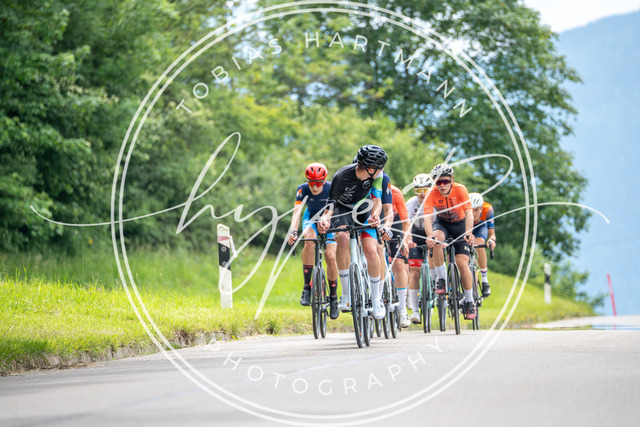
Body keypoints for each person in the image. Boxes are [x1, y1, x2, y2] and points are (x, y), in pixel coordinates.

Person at [318, 145, 387, 320]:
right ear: (369, 168)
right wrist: (325, 219)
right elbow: (331, 204)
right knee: (342, 237)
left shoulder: (378, 176)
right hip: (343, 209)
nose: (381, 170)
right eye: (379, 167)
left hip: (364, 208)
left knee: (371, 250)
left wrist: (375, 215)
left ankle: (376, 299)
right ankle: (346, 294)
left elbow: (377, 201)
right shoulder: (341, 176)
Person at [424, 164, 477, 320]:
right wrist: (429, 236)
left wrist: (469, 232)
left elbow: (469, 213)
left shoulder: (460, 189)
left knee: (462, 264)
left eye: (445, 181)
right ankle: (441, 279)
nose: (441, 185)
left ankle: (469, 301)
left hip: (460, 225)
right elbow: (427, 217)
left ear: (452, 180)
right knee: (436, 240)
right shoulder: (431, 193)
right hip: (442, 224)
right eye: (438, 182)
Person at [287, 163, 339, 319]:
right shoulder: (302, 190)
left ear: (324, 181)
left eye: (318, 183)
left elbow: (332, 209)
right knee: (309, 241)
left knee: (330, 256)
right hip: (310, 217)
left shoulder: (331, 188)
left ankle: (334, 298)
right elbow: (297, 213)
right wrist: (293, 231)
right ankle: (306, 287)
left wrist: (326, 222)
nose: (315, 187)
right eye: (311, 183)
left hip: (329, 219)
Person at [379, 175, 410, 326]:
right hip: (376, 221)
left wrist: (405, 241)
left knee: (398, 264)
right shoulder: (364, 191)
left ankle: (403, 310)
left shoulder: (395, 193)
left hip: (395, 222)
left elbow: (406, 221)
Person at [405, 173, 435, 325]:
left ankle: (436, 286)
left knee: (434, 263)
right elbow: (407, 225)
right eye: (418, 190)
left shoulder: (436, 202)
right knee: (415, 272)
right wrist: (409, 240)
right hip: (416, 235)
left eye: (425, 190)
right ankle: (415, 311)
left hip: (433, 233)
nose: (422, 194)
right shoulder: (411, 203)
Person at [469, 193, 497, 298]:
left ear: (481, 208)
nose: (473, 213)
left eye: (476, 210)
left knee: (479, 244)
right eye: (471, 210)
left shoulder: (488, 209)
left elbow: (492, 233)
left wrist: (491, 240)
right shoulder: (461, 208)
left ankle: (485, 281)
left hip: (480, 227)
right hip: (466, 228)